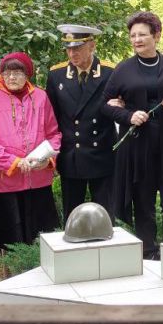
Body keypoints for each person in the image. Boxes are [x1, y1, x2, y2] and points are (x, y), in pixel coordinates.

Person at [103, 11, 163, 259]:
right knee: (142, 203)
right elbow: (104, 105)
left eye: (142, 34)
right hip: (138, 147)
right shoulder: (123, 69)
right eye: (132, 35)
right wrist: (128, 116)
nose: (136, 40)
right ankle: (148, 253)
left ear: (156, 35)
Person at [0, 52, 62, 250]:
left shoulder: (41, 97)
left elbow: (53, 134)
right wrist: (12, 162)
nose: (11, 77)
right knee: (9, 243)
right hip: (6, 182)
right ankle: (11, 277)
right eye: (7, 72)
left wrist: (47, 161)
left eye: (17, 72)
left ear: (27, 74)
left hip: (38, 181)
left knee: (43, 239)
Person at [46, 24, 117, 218]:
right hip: (71, 155)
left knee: (104, 217)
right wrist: (52, 155)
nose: (72, 53)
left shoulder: (110, 73)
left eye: (77, 48)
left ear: (92, 45)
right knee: (72, 216)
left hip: (102, 153)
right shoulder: (56, 75)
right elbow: (52, 119)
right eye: (68, 48)